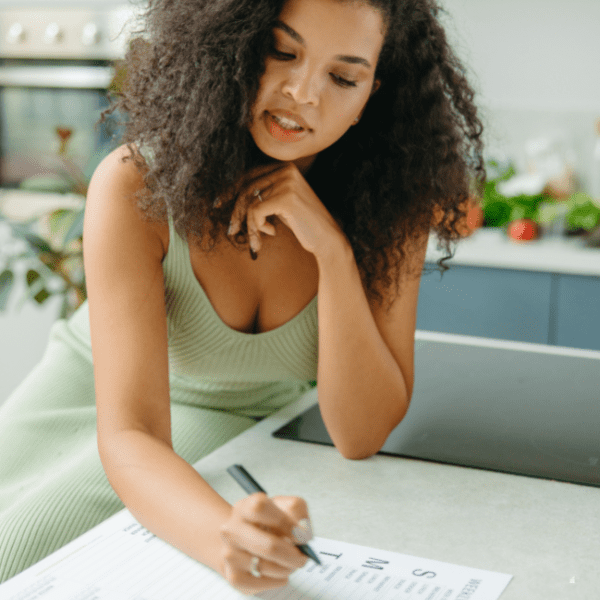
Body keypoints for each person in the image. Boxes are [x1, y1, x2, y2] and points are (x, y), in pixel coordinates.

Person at [0, 0, 484, 593]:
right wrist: (221, 537)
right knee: (13, 548)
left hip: (234, 430)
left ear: (369, 97)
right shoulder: (135, 184)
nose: (303, 92)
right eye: (282, 51)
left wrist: (331, 252)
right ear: (232, 46)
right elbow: (131, 433)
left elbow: (360, 435)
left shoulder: (390, 208)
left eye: (342, 77)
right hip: (92, 400)